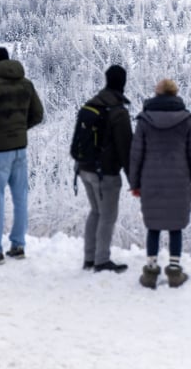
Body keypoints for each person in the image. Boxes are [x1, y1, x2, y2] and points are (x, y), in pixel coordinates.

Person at [128, 78, 191, 289]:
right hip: (179, 181)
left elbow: (136, 155)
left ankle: (151, 272)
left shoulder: (145, 120)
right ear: (175, 94)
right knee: (175, 226)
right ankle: (174, 272)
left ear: (157, 94)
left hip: (150, 181)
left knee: (153, 226)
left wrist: (134, 183)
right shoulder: (186, 120)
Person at [0, 47, 44, 265]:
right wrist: (21, 130)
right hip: (20, 148)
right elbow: (38, 114)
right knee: (21, 197)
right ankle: (18, 245)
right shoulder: (26, 84)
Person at [76, 65, 133, 273]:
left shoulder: (92, 104)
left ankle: (90, 258)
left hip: (84, 168)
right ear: (123, 83)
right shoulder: (118, 112)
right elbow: (126, 149)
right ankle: (101, 261)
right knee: (107, 216)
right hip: (105, 173)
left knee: (95, 212)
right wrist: (134, 180)